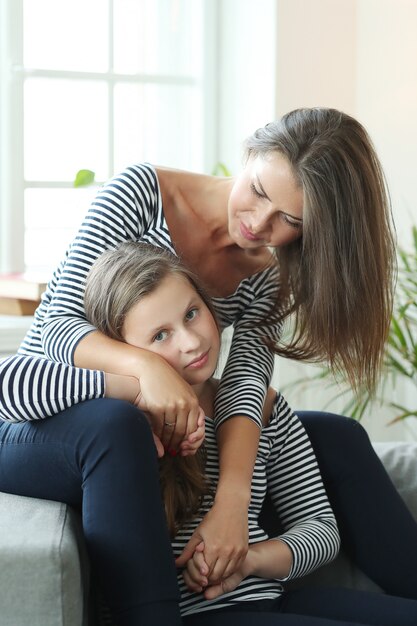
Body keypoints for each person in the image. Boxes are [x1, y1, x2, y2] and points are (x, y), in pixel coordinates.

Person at [1, 107, 416, 604]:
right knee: (117, 425)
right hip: (51, 420)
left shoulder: (269, 271)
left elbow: (245, 384)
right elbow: (59, 330)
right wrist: (147, 372)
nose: (259, 223)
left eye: (289, 219)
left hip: (165, 426)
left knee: (334, 436)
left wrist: (232, 504)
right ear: (250, 154)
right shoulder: (140, 195)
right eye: (259, 191)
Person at [80, 241, 417, 626]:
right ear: (126, 352)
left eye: (192, 313)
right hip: (197, 615)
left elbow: (321, 532)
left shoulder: (264, 407)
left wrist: (249, 559)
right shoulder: (118, 428)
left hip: (269, 600)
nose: (191, 342)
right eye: (160, 336)